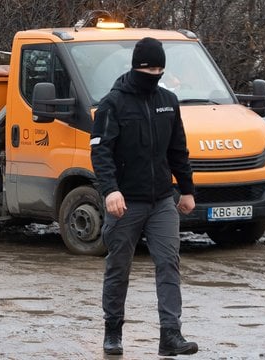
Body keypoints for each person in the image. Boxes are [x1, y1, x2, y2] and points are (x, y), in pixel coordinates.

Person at [90, 37, 198, 356]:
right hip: (126, 202)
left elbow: (178, 149)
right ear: (136, 67)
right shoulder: (113, 103)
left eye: (160, 68)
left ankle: (170, 335)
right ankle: (113, 331)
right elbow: (101, 152)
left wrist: (187, 189)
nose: (155, 73)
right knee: (119, 266)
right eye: (149, 67)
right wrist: (110, 190)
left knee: (168, 262)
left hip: (163, 200)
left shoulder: (169, 101)